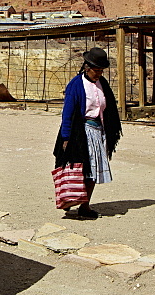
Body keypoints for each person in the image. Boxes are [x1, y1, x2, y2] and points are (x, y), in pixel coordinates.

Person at [52, 47, 122, 218]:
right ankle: (70, 199)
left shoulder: (102, 84)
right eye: (96, 70)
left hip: (98, 131)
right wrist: (66, 137)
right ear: (86, 67)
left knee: (92, 170)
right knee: (77, 169)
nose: (98, 74)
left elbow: (108, 108)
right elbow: (68, 113)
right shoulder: (76, 85)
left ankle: (85, 206)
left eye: (101, 70)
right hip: (80, 132)